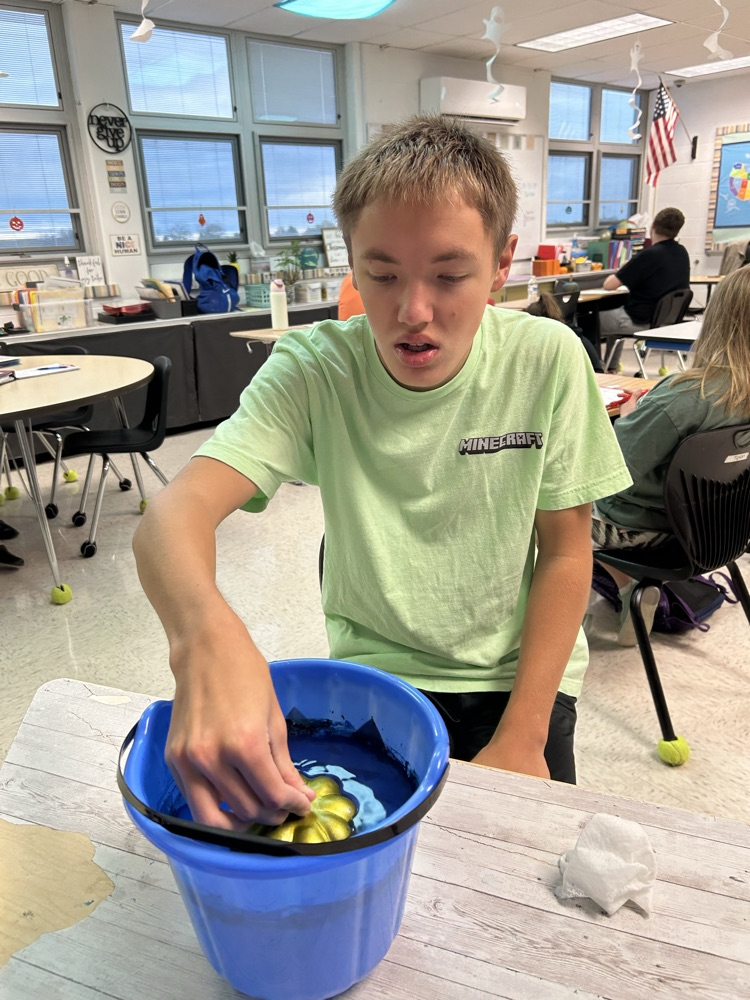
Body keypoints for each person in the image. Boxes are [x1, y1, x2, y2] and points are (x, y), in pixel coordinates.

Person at [132, 114, 631, 831]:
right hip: (377, 680)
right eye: (383, 275)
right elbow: (171, 518)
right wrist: (202, 637)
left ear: (501, 264)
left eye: (450, 275)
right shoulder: (315, 370)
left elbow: (565, 551)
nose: (412, 312)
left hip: (520, 680)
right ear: (352, 261)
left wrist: (524, 733)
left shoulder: (546, 360)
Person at [592, 265, 750, 645]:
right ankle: (631, 589)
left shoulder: (686, 395)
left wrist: (629, 418)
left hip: (641, 532)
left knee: (546, 509)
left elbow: (608, 468)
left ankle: (564, 619)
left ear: (717, 319)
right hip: (719, 533)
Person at [599, 207, 691, 367]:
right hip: (665, 319)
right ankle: (611, 366)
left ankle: (597, 368)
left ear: (652, 226)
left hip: (638, 320)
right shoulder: (682, 252)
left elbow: (609, 285)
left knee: (588, 320)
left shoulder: (649, 255)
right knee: (613, 315)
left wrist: (626, 267)